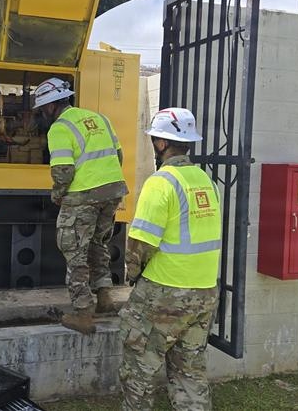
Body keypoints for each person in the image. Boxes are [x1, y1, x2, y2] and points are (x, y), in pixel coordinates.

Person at [119, 107, 221, 411]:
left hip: (164, 292)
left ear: (162, 143)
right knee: (190, 372)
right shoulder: (207, 181)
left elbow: (141, 243)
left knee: (138, 371)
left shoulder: (161, 181)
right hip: (204, 292)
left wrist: (132, 275)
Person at [33, 77, 128, 334]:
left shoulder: (59, 128)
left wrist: (57, 194)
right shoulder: (99, 118)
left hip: (83, 195)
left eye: (42, 109)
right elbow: (118, 155)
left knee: (74, 251)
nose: (42, 115)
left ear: (50, 106)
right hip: (112, 191)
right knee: (98, 243)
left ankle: (83, 313)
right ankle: (105, 297)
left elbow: (63, 171)